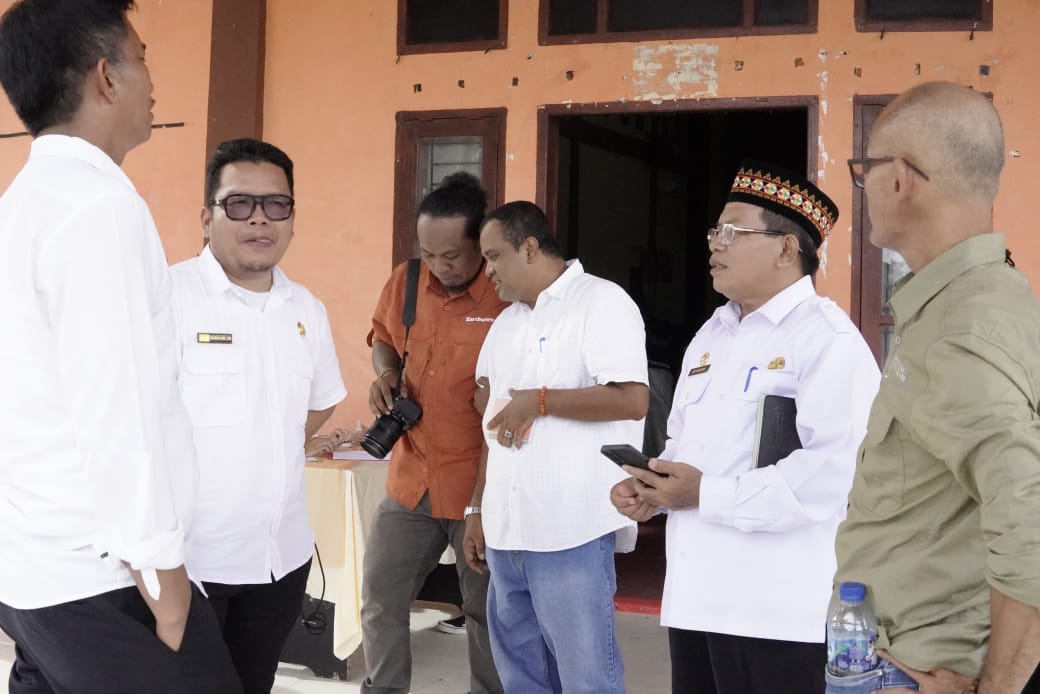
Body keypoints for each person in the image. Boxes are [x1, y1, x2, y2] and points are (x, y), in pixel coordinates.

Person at [0, 2, 241, 692]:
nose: (151, 79)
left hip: (32, 565)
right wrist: (164, 583)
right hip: (104, 578)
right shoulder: (98, 209)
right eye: (141, 57)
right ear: (106, 77)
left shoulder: (20, 205)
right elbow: (119, 406)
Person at [611, 160, 880, 694]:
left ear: (786, 249)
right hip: (696, 597)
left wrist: (703, 494)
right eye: (715, 231)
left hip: (776, 609)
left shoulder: (827, 340)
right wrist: (654, 489)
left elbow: (831, 474)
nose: (716, 243)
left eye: (733, 231)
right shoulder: (712, 334)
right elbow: (684, 444)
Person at [830, 81, 1040, 694]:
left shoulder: (960, 326)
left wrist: (1000, 687)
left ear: (898, 178)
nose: (864, 186)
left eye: (864, 170)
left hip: (916, 669)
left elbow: (1028, 517)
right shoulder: (988, 297)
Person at [169, 138, 347, 693]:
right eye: (239, 203)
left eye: (276, 204)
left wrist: (266, 439)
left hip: (279, 560)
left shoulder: (306, 309)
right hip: (188, 564)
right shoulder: (167, 299)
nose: (259, 219)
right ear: (207, 218)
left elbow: (322, 399)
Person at [465, 200, 650, 694]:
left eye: (494, 257)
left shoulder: (601, 302)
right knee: (522, 678)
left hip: (571, 529)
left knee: (586, 678)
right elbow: (491, 426)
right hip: (507, 530)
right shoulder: (505, 324)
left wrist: (541, 401)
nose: (487, 272)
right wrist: (476, 508)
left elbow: (633, 399)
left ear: (529, 248)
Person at [360, 171, 507, 694]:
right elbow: (382, 337)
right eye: (429, 254)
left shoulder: (506, 294)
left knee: (486, 611)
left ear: (481, 245)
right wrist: (386, 374)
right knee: (381, 596)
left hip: (480, 486)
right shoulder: (406, 280)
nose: (440, 266)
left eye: (452, 256)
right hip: (412, 478)